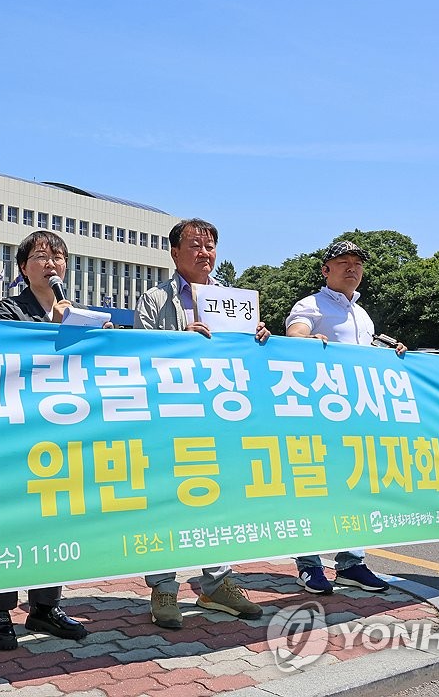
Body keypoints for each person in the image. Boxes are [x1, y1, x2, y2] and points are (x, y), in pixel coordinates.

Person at [135, 217, 272, 629]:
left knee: (220, 498)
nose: (204, 252)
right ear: (174, 252)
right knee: (164, 499)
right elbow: (138, 353)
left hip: (220, 417)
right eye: (194, 245)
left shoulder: (233, 301)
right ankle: (163, 586)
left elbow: (243, 358)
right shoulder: (153, 300)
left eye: (210, 245)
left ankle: (217, 583)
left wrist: (257, 336)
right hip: (170, 418)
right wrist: (180, 336)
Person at [0, 229, 96, 650]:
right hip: (19, 434)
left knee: (55, 519)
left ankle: (45, 607)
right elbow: (9, 358)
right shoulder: (10, 310)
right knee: (10, 522)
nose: (52, 264)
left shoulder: (76, 313)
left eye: (59, 257)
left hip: (63, 435)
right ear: (24, 267)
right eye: (42, 257)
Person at [284, 239, 403, 595]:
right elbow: (294, 335)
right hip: (316, 416)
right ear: (326, 270)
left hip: (357, 417)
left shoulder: (362, 314)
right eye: (344, 262)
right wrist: (307, 338)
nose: (352, 268)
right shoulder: (311, 304)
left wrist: (390, 351)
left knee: (355, 487)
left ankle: (352, 563)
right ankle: (309, 565)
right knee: (312, 489)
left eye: (358, 263)